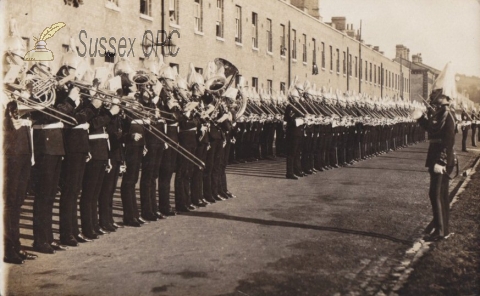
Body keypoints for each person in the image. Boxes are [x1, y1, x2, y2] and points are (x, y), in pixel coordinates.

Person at [413, 88, 456, 242]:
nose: (433, 97)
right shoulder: (442, 112)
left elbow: (448, 140)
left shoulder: (446, 114)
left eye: (437, 95)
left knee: (436, 194)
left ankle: (440, 231)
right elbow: (433, 129)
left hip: (440, 158)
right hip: (437, 156)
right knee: (440, 195)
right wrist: (421, 119)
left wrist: (441, 161)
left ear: (444, 97)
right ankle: (443, 230)